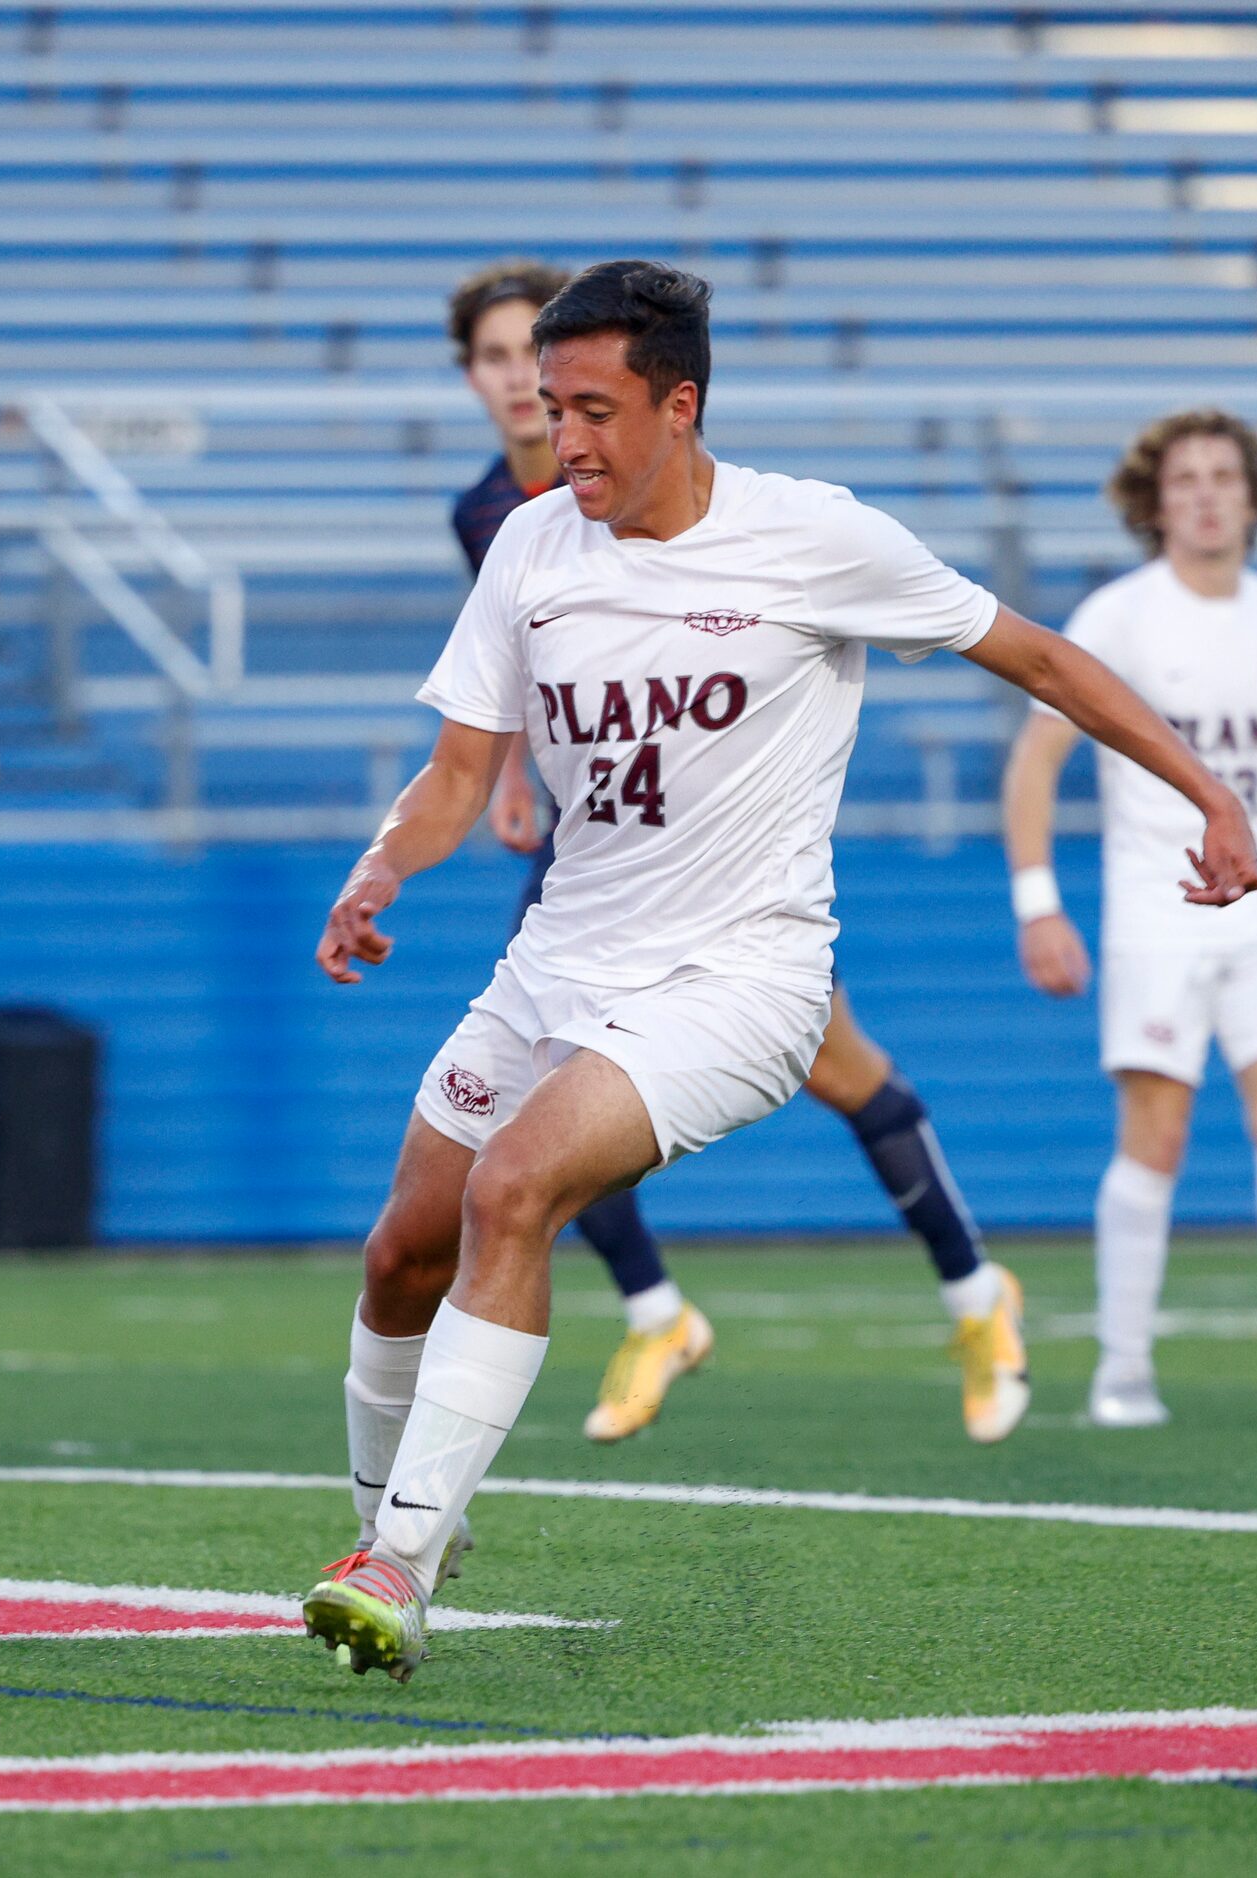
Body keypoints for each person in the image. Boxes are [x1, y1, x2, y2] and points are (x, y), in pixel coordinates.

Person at [300, 260, 1257, 1684]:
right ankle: (383, 1532)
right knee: (401, 1252)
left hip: (743, 979)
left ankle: (403, 1562)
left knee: (517, 1188)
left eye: (596, 411)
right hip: (559, 953)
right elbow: (459, 771)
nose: (564, 442)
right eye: (552, 409)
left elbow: (1046, 661)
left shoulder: (814, 536)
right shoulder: (528, 547)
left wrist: (1210, 795)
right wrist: (381, 868)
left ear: (680, 407)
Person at [445, 259, 1027, 1447]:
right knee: (538, 1099)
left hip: (723, 869)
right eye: (498, 363)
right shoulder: (493, 519)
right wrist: (507, 779)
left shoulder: (706, 507)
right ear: (473, 379)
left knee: (836, 1065)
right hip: (595, 855)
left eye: (535, 361)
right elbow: (515, 667)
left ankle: (974, 1290)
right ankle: (656, 1310)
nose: (523, 386)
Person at [1002, 409, 1257, 1426]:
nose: (1204, 494)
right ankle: (1121, 1369)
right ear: (1153, 503)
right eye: (1182, 479)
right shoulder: (1117, 617)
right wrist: (1037, 901)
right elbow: (1034, 760)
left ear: (1252, 497)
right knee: (1158, 1132)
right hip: (1156, 910)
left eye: (1222, 476)